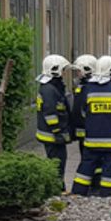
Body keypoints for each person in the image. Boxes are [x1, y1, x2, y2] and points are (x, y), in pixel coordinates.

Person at [72, 56, 111, 197]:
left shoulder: (88, 90)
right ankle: (106, 195)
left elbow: (83, 113)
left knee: (86, 165)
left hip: (92, 139)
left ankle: (78, 193)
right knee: (109, 168)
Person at [35, 55, 72, 187]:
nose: (63, 73)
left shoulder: (49, 87)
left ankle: (57, 186)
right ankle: (56, 188)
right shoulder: (50, 90)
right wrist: (57, 131)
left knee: (57, 161)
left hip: (51, 133)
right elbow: (50, 112)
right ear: (55, 70)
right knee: (57, 162)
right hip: (52, 134)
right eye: (63, 70)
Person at [69, 54, 100, 192]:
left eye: (78, 70)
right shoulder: (84, 86)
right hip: (84, 132)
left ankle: (89, 186)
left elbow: (82, 112)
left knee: (90, 159)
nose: (77, 74)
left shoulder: (89, 88)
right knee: (89, 158)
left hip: (88, 132)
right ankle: (93, 184)